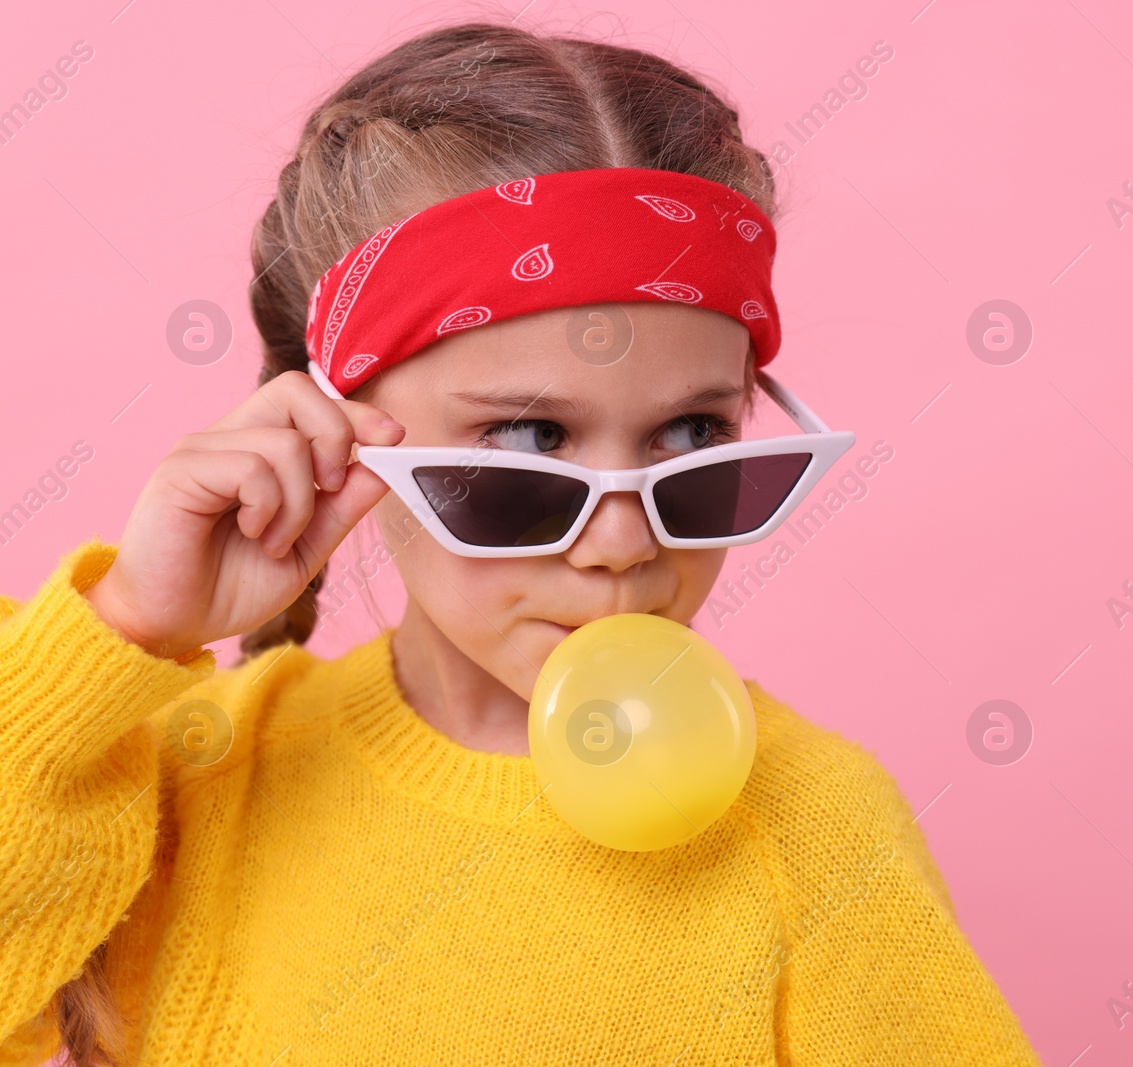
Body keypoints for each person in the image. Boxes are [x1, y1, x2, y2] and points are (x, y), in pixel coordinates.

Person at [0, 22, 1042, 1066]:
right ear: (335, 428)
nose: (623, 541)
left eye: (693, 436)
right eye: (530, 441)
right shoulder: (189, 771)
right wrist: (121, 626)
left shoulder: (813, 828)